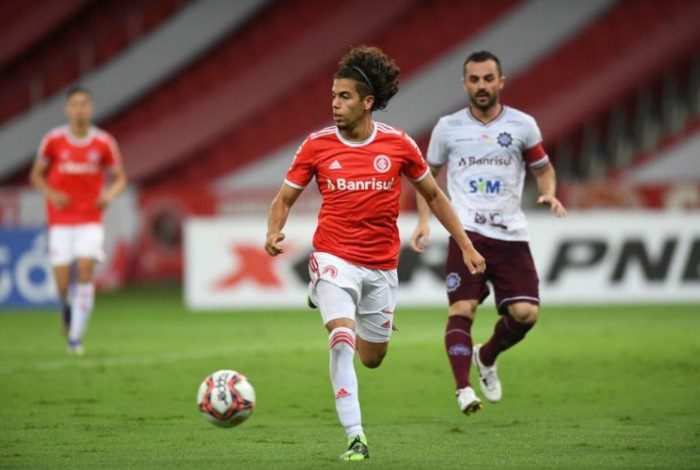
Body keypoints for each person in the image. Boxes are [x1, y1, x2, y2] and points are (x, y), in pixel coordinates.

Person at [265, 45, 485, 461]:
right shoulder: (316, 146)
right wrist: (274, 231)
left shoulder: (398, 145)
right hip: (333, 255)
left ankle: (324, 296)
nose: (335, 104)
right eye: (333, 96)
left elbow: (434, 196)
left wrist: (466, 244)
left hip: (381, 266)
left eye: (344, 96)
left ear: (367, 102)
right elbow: (284, 199)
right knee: (341, 339)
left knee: (372, 358)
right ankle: (356, 437)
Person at [410, 51, 567, 415]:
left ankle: (486, 356)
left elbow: (543, 167)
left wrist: (549, 191)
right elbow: (426, 179)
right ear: (465, 84)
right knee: (461, 308)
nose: (481, 85)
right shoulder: (447, 127)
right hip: (467, 233)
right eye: (474, 79)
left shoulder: (523, 125)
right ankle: (463, 389)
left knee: (526, 313)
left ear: (501, 82)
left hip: (511, 234)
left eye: (487, 78)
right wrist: (423, 221)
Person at [30, 86, 127, 356]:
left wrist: (108, 195)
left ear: (91, 108)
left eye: (84, 104)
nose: (79, 109)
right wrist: (52, 194)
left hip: (90, 219)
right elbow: (36, 176)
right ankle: (66, 309)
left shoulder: (103, 142)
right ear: (67, 109)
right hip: (60, 221)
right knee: (62, 283)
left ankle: (75, 337)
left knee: (85, 270)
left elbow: (120, 178)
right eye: (74, 105)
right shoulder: (53, 140)